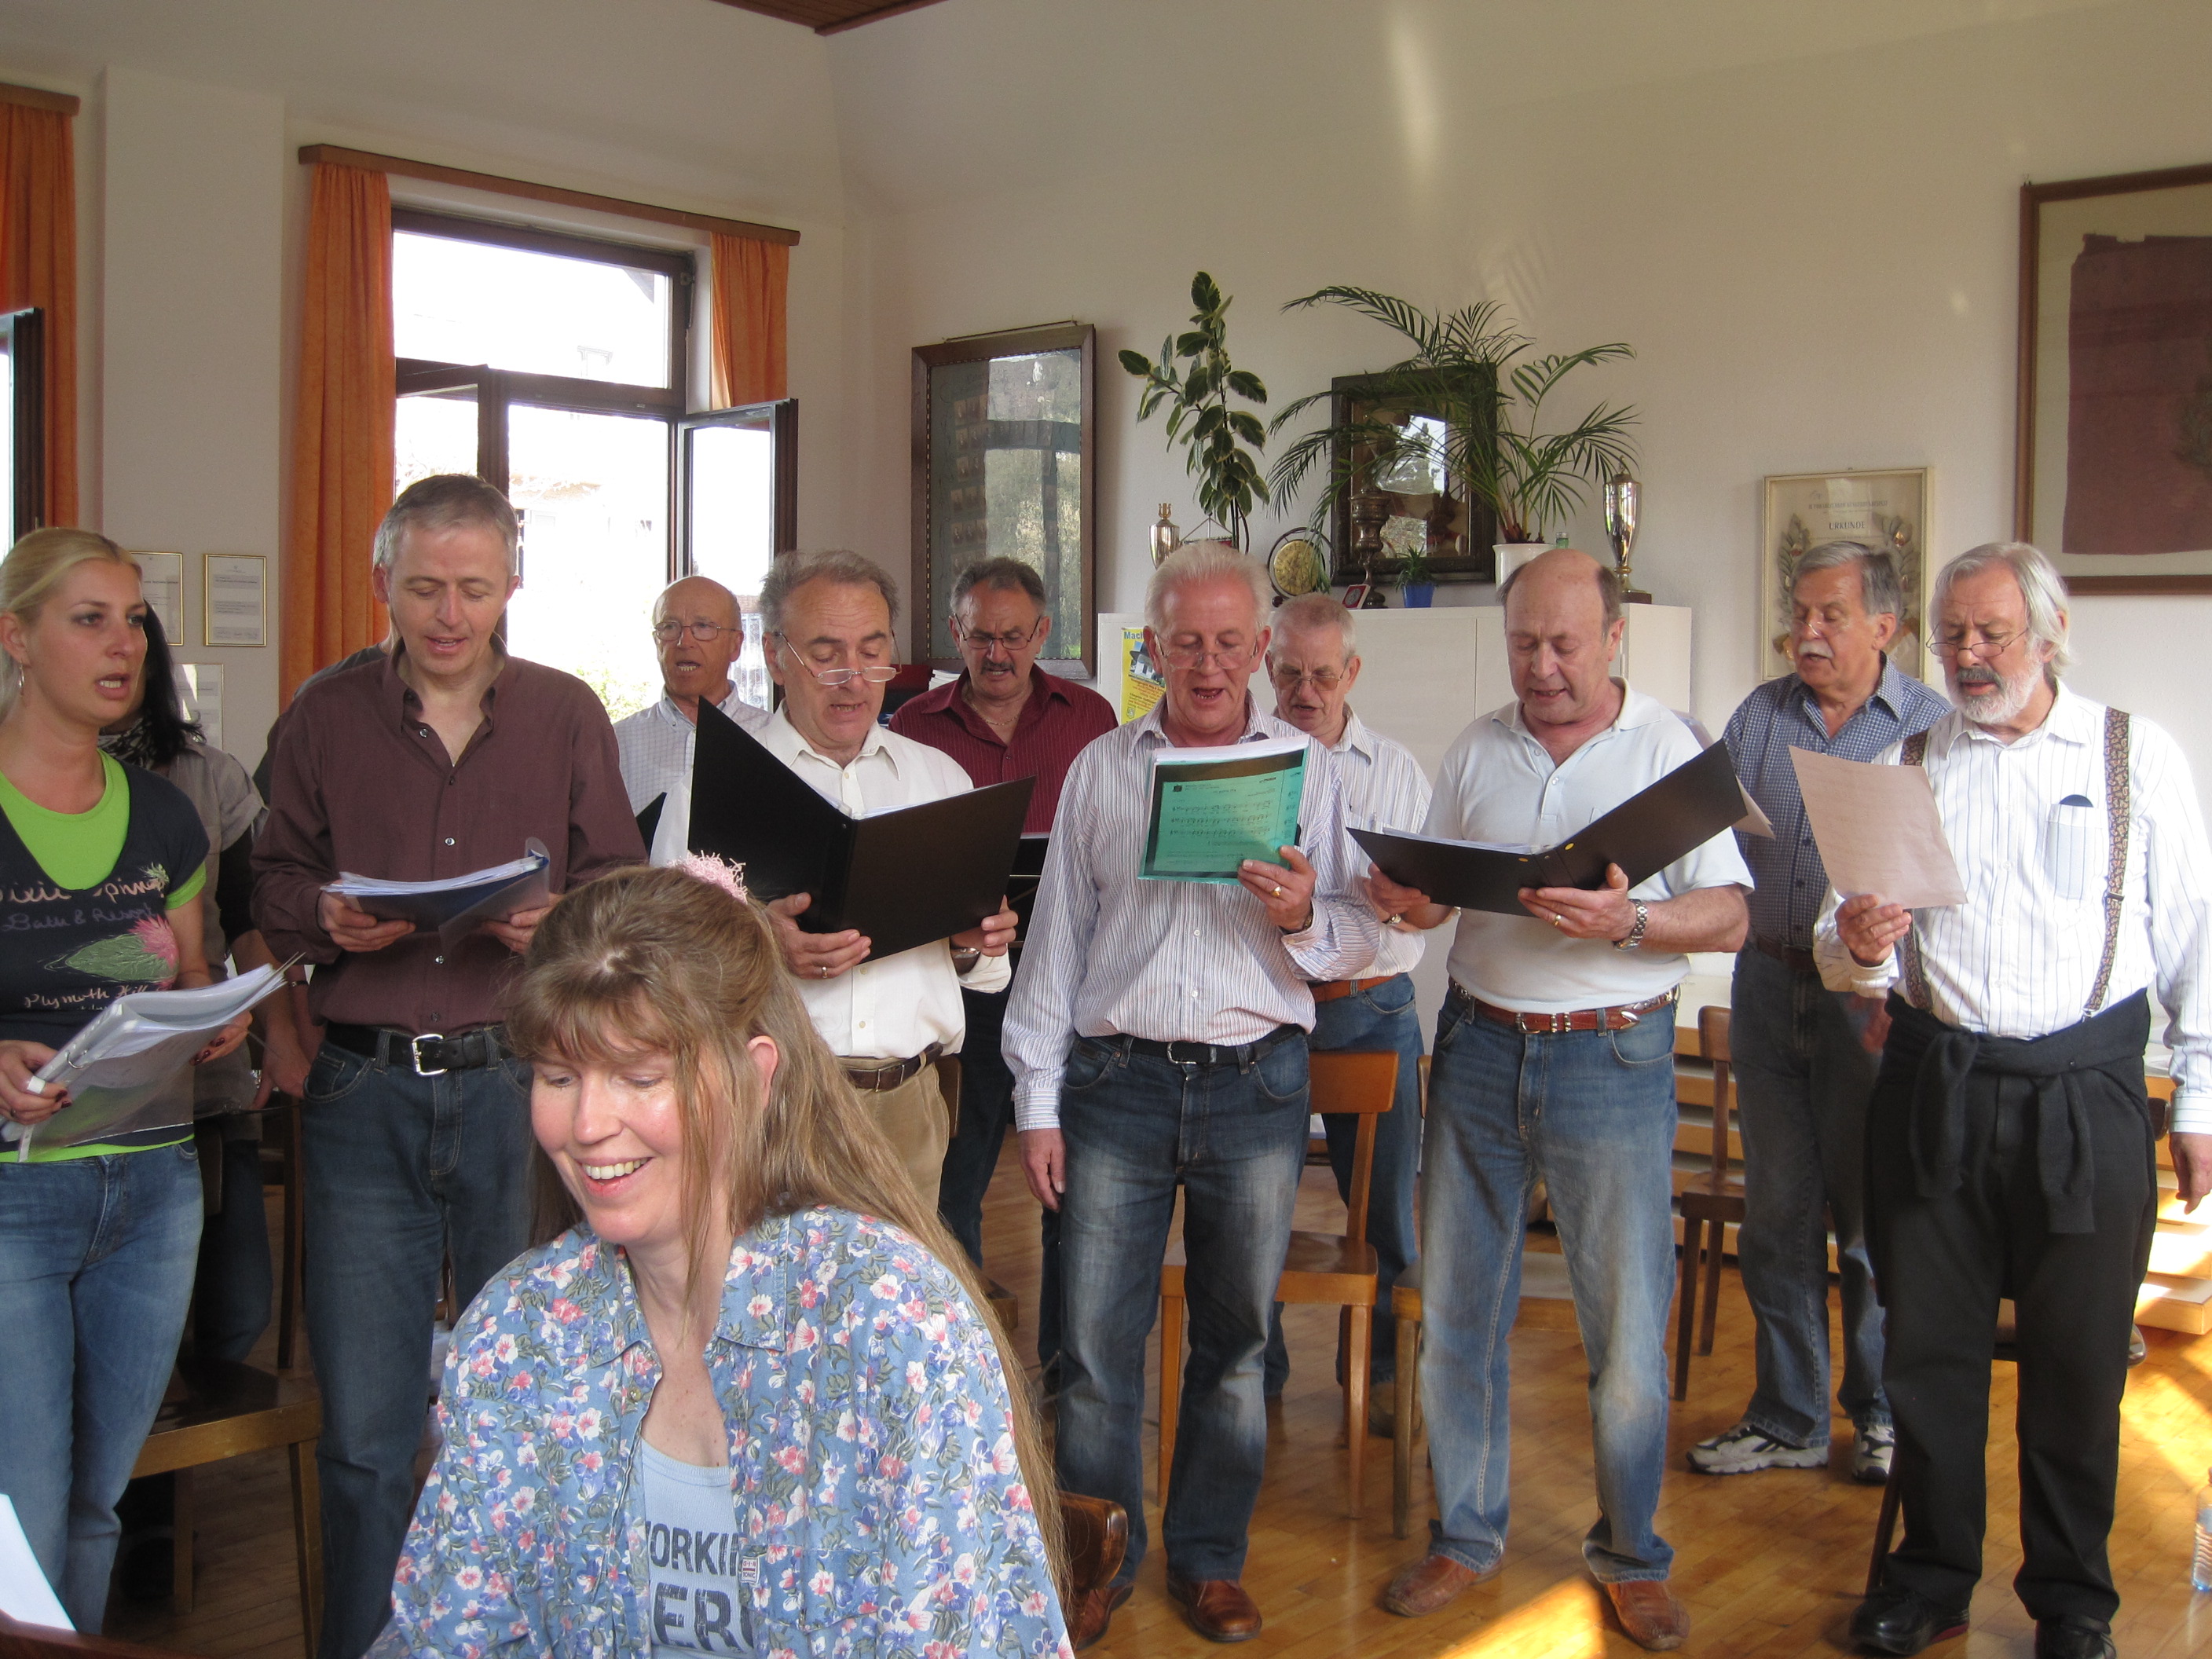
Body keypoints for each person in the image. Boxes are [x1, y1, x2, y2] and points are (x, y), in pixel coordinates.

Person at [373, 860, 1071, 1659]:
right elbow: (447, 1633)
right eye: (559, 1076)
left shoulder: (893, 1329)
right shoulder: (516, 1335)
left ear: (754, 1076)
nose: (587, 1124)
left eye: (640, 1076)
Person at [254, 474, 645, 1659]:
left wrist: (563, 921)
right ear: (383, 580)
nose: (449, 613)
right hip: (362, 1088)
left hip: (521, 1090)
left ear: (511, 584)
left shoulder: (566, 713)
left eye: (474, 588)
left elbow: (618, 885)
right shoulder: (324, 714)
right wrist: (322, 914)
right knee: (366, 1434)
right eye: (425, 587)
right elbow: (270, 880)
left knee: (527, 1406)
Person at [1817, 543, 2212, 1659]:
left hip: (2088, 1099)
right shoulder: (1901, 761)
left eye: (1991, 634)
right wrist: (1857, 943)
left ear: (2050, 633)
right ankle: (1931, 1580)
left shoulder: (2134, 755)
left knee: (2077, 1367)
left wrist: (2198, 1107)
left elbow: (2196, 943)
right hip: (1932, 1091)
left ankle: (2073, 1604)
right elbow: (1844, 946)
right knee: (1926, 1357)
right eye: (1952, 636)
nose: (1969, 656)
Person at [1368, 549, 1751, 1651]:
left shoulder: (1670, 751)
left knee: (1623, 1334)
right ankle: (1464, 1534)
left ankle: (1632, 1555)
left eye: (1563, 644)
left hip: (1612, 1061)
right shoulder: (1475, 747)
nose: (1540, 666)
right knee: (1457, 1314)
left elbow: (1730, 915)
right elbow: (1439, 905)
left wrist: (1632, 922)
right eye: (1523, 643)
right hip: (1477, 1049)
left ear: (1613, 639)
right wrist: (1405, 900)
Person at [1005, 542, 1381, 1647]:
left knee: (1236, 1345)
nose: (1208, 664)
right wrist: (1037, 1103)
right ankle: (1098, 1562)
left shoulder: (1311, 772)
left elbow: (1360, 933)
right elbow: (1057, 940)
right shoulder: (1101, 768)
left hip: (1255, 1085)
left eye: (1227, 642)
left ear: (1260, 647)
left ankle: (1211, 1560)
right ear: (1153, 649)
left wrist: (1303, 917)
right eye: (1185, 643)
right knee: (1091, 1348)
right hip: (1113, 1084)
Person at [0, 529, 251, 1632]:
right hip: (16, 1190)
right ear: (16, 638)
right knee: (24, 1507)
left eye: (135, 620)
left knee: (98, 1504)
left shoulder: (163, 812)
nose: (124, 645)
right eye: (89, 620)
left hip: (155, 1187)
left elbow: (189, 972)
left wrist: (214, 1014)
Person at [1690, 542, 1947, 1485]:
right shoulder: (1758, 715)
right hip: (1765, 984)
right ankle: (1787, 1416)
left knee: (1870, 1220)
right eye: (1797, 613)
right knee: (1776, 1215)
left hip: (1872, 1003)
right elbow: (1710, 834)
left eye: (1828, 615)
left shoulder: (1928, 727)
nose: (1805, 631)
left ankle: (1879, 1414)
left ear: (1884, 626)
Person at [888, 555, 1115, 1382]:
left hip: (1072, 982)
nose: (997, 654)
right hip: (963, 984)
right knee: (960, 1175)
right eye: (981, 637)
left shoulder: (1090, 718)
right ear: (956, 633)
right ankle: (966, 1369)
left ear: (1041, 633)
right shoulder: (913, 725)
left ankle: (1063, 1367)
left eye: (1014, 637)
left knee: (1072, 1187)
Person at [750, 549, 1017, 1214]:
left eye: (873, 654)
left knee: (900, 1283)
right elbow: (661, 974)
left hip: (909, 1107)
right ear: (776, 655)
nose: (854, 680)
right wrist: (762, 946)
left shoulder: (939, 780)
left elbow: (985, 976)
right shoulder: (718, 785)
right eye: (826, 655)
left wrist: (972, 940)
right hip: (770, 1106)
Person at [1257, 593, 1429, 1423]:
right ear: (1267, 667)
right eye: (1289, 673)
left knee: (1387, 1207)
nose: (1305, 691)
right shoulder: (1243, 764)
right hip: (1265, 1008)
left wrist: (1407, 902)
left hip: (1371, 1008)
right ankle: (1254, 1376)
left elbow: (1437, 908)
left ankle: (1385, 1379)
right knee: (1254, 1209)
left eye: (1322, 675)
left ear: (1352, 672)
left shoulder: (1395, 770)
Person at [612, 573, 768, 817]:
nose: (684, 642)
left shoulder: (772, 736)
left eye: (703, 627)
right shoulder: (617, 743)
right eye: (669, 627)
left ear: (735, 644)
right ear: (657, 643)